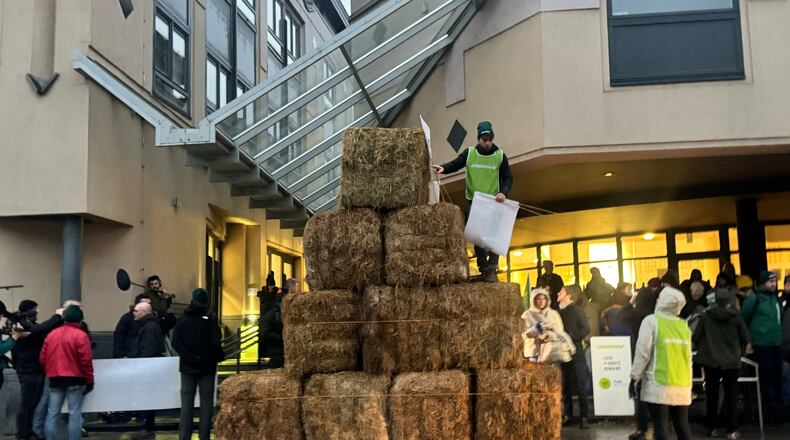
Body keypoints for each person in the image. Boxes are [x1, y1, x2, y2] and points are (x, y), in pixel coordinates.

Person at [432, 121, 513, 283]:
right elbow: (456, 164)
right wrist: (443, 168)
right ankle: (484, 268)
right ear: (478, 139)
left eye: (490, 139)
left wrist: (503, 193)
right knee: (478, 236)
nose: (488, 143)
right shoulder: (469, 153)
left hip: (494, 201)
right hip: (476, 201)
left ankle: (493, 267)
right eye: (484, 140)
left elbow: (508, 177)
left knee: (493, 236)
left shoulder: (499, 155)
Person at [630, 286, 693, 440]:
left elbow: (643, 353)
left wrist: (634, 377)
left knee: (661, 428)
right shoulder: (683, 325)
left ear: (663, 301)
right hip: (682, 383)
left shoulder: (651, 321)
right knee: (682, 426)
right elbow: (688, 357)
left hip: (659, 384)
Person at [693, 289, 750, 439]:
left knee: (712, 396)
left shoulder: (706, 317)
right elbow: (745, 337)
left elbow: (696, 336)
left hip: (711, 362)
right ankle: (731, 430)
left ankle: (712, 428)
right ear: (730, 302)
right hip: (731, 362)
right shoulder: (737, 317)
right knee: (731, 395)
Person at [172, 289, 224, 440]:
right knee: (207, 403)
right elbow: (215, 341)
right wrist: (218, 356)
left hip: (188, 367)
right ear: (206, 300)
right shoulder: (211, 317)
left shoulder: (183, 318)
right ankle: (204, 436)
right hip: (207, 366)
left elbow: (176, 341)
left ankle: (184, 436)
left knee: (186, 404)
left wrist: (190, 357)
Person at [39, 305, 94, 440]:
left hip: (55, 379)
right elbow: (86, 361)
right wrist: (90, 380)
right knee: (74, 414)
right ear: (80, 320)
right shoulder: (81, 335)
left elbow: (42, 358)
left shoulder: (52, 334)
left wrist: (50, 371)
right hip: (75, 379)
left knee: (52, 414)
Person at [12, 300, 64, 440]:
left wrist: (58, 320)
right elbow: (39, 329)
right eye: (35, 309)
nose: (37, 311)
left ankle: (28, 432)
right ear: (28, 311)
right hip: (28, 371)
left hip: (35, 369)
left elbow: (44, 329)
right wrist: (57, 316)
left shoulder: (29, 324)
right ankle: (22, 434)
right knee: (27, 404)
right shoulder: (22, 324)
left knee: (32, 403)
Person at [741, 270, 783, 423]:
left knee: (776, 377)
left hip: (776, 343)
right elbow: (743, 318)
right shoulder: (754, 298)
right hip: (761, 343)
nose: (774, 284)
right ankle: (770, 412)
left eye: (775, 281)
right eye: (770, 281)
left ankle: (777, 411)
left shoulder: (774, 299)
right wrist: (748, 341)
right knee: (767, 379)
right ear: (762, 283)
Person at [129, 302, 165, 439]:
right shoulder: (150, 325)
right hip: (148, 368)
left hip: (146, 369)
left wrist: (141, 367)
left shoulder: (148, 327)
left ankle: (148, 428)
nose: (134, 312)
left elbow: (148, 349)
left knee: (147, 399)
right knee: (148, 398)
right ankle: (148, 427)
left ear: (144, 312)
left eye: (136, 310)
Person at [557, 285, 591, 429]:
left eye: (561, 291)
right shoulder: (558, 311)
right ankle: (568, 415)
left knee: (580, 386)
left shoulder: (576, 310)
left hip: (576, 354)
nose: (558, 293)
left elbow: (586, 329)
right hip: (563, 354)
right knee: (566, 387)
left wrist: (573, 336)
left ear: (569, 295)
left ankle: (584, 417)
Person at [522, 288, 574, 366]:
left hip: (553, 352)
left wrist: (549, 336)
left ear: (547, 300)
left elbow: (560, 331)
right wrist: (537, 335)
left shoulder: (553, 314)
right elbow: (523, 334)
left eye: (544, 299)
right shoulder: (527, 315)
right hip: (534, 352)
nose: (541, 301)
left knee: (555, 375)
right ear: (534, 300)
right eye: (538, 299)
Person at [113, 294, 152, 358]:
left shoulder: (151, 320)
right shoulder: (127, 318)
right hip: (128, 354)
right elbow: (119, 337)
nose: (147, 306)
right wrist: (120, 355)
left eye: (149, 304)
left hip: (142, 355)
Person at [259, 290, 284, 368]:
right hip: (276, 350)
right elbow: (265, 332)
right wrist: (280, 337)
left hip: (280, 350)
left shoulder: (277, 314)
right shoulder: (273, 314)